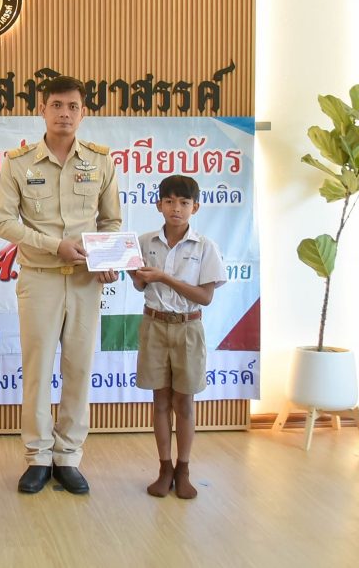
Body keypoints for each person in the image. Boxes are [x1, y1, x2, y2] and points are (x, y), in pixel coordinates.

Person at [0, 75, 122, 495]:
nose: (64, 113)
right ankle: (38, 457)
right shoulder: (18, 163)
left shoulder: (101, 161)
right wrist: (55, 246)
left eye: (72, 107)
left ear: (83, 113)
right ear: (42, 110)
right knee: (37, 370)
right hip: (40, 279)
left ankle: (68, 457)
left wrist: (106, 259)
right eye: (56, 105)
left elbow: (111, 221)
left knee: (78, 370)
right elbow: (4, 223)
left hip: (85, 283)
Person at [129, 174, 226, 500]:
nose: (176, 208)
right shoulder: (144, 242)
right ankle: (164, 468)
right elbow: (139, 285)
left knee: (184, 401)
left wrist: (163, 277)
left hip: (188, 327)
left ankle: (183, 469)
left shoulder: (206, 246)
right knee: (160, 400)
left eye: (184, 203)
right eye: (169, 201)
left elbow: (205, 297)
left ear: (195, 207)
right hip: (154, 325)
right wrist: (134, 274)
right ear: (158, 204)